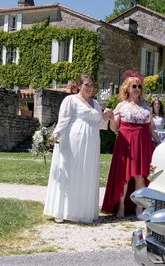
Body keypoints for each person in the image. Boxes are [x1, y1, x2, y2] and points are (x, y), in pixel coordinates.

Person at [44, 74, 113, 223]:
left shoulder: (96, 104)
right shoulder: (70, 100)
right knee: (69, 170)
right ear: (79, 86)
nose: (89, 88)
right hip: (72, 142)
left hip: (92, 144)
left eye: (91, 85)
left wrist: (106, 117)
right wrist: (54, 135)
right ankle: (62, 211)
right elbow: (63, 120)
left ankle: (82, 211)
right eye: (86, 85)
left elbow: (100, 125)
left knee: (86, 173)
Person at [102, 76, 160, 218]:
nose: (137, 89)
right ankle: (121, 206)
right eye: (134, 86)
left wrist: (158, 143)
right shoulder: (121, 106)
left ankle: (138, 209)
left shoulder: (146, 105)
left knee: (141, 176)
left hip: (143, 143)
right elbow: (115, 128)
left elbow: (151, 127)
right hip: (126, 143)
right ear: (127, 88)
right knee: (125, 176)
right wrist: (110, 118)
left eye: (139, 86)